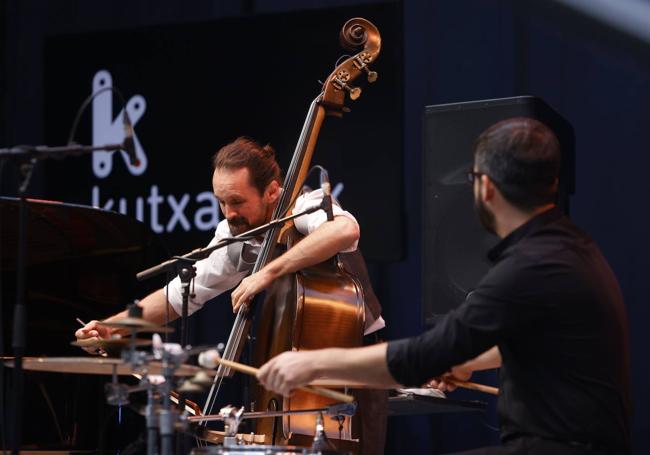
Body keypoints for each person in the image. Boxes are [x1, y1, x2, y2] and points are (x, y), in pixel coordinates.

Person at [256, 118, 632, 454]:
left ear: (485, 188)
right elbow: (526, 343)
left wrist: (310, 363)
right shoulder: (569, 247)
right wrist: (464, 361)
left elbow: (424, 355)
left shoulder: (530, 266)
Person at [75, 136, 386, 454]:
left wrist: (267, 272)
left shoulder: (305, 205)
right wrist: (113, 327)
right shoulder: (235, 232)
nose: (228, 213)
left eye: (237, 202)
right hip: (294, 371)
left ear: (272, 191)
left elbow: (344, 230)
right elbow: (180, 294)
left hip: (355, 359)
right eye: (221, 202)